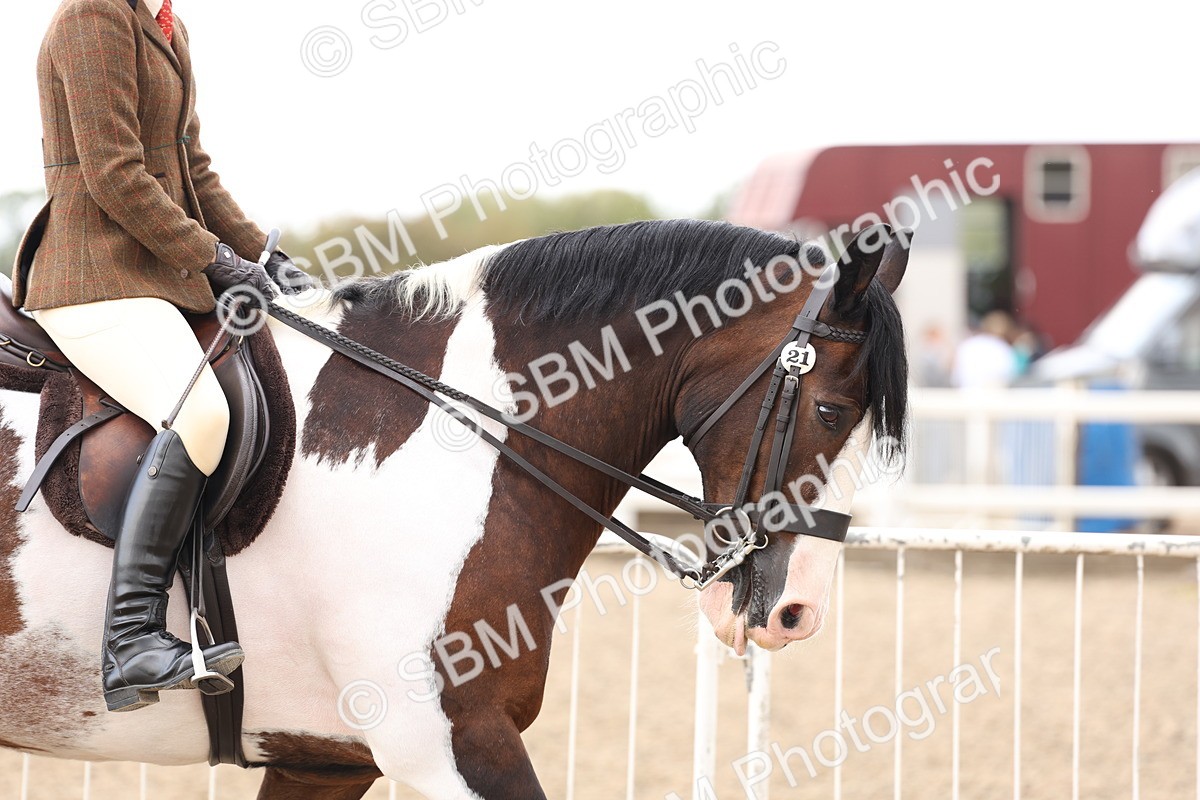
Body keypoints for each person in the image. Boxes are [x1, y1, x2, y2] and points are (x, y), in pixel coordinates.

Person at [10, 0, 313, 712]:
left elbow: (191, 170)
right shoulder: (93, 17)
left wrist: (261, 254)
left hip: (154, 279)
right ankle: (132, 639)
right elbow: (115, 174)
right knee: (199, 412)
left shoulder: (166, 26)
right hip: (91, 280)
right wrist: (215, 259)